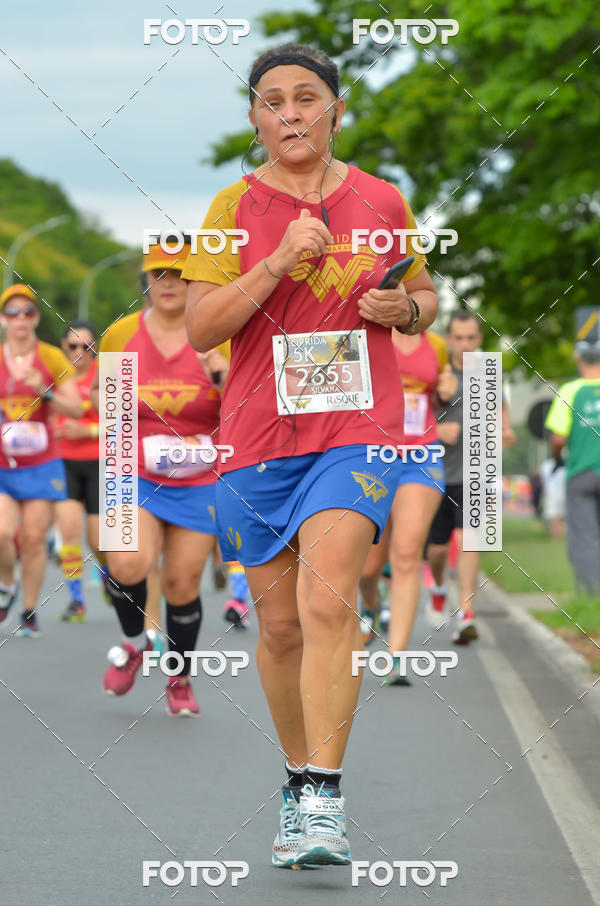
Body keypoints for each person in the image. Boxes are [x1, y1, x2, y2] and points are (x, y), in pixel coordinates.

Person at [184, 43, 439, 867]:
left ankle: (325, 796)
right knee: (284, 625)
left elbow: (426, 295)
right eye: (271, 101)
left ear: (335, 109)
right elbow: (201, 327)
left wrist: (405, 308)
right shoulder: (233, 205)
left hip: (354, 433)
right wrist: (278, 260)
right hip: (258, 438)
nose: (289, 113)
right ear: (255, 120)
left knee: (331, 605)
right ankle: (296, 780)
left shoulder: (381, 197)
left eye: (305, 98)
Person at [91, 239, 228, 716]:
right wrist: (114, 404)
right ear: (144, 282)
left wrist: (223, 379)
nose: (167, 283)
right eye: (157, 275)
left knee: (182, 584)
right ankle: (134, 643)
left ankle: (180, 675)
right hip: (133, 470)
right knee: (125, 562)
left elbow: (250, 407)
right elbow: (100, 404)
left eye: (178, 274)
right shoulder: (121, 333)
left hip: (201, 475)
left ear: (193, 280)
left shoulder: (216, 335)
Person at [358, 330, 458, 685]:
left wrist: (445, 393)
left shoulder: (436, 345)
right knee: (367, 568)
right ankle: (369, 605)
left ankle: (396, 656)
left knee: (405, 554)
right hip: (369, 455)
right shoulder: (366, 335)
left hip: (420, 456)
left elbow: (442, 390)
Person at [426, 310, 515, 643]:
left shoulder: (488, 371)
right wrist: (435, 430)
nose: (465, 344)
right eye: (458, 338)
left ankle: (465, 614)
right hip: (435, 472)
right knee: (435, 549)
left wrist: (505, 431)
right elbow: (408, 417)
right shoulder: (436, 371)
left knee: (469, 540)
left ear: (479, 340)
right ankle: (437, 586)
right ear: (448, 339)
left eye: (471, 338)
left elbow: (501, 413)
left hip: (477, 470)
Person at [0, 284, 82, 636]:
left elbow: (76, 407)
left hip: (41, 460)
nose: (21, 319)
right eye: (13, 312)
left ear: (36, 318)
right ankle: (7, 584)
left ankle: (29, 611)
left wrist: (43, 392)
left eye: (28, 312)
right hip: (4, 462)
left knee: (34, 538)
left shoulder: (51, 357)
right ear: (3, 319)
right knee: (3, 533)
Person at [53, 319, 107, 621]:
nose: (79, 352)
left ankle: (109, 575)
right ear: (64, 346)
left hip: (99, 463)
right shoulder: (57, 377)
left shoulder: (106, 376)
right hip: (64, 464)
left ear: (94, 348)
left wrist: (86, 431)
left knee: (97, 540)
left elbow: (124, 425)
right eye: (73, 345)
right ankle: (77, 601)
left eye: (86, 346)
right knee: (69, 532)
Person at [545, 342, 600, 593]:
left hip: (581, 473)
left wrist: (558, 458)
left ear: (579, 360)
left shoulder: (569, 391)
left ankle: (590, 596)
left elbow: (558, 438)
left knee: (584, 535)